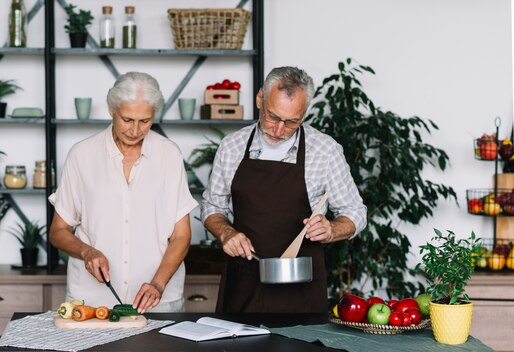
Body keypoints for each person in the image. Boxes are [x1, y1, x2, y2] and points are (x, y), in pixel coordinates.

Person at [200, 66, 367, 313]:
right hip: (244, 284)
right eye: (272, 117)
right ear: (260, 98)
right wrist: (225, 233)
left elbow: (356, 213)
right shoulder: (232, 146)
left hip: (302, 289)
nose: (279, 131)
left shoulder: (325, 150)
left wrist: (332, 229)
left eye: (291, 122)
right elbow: (213, 207)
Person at [49, 72, 198, 313]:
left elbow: (181, 235)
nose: (136, 130)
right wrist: (87, 251)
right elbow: (58, 231)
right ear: (111, 110)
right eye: (127, 119)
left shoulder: (169, 155)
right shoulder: (82, 155)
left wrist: (158, 284)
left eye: (145, 121)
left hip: (157, 301)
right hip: (92, 300)